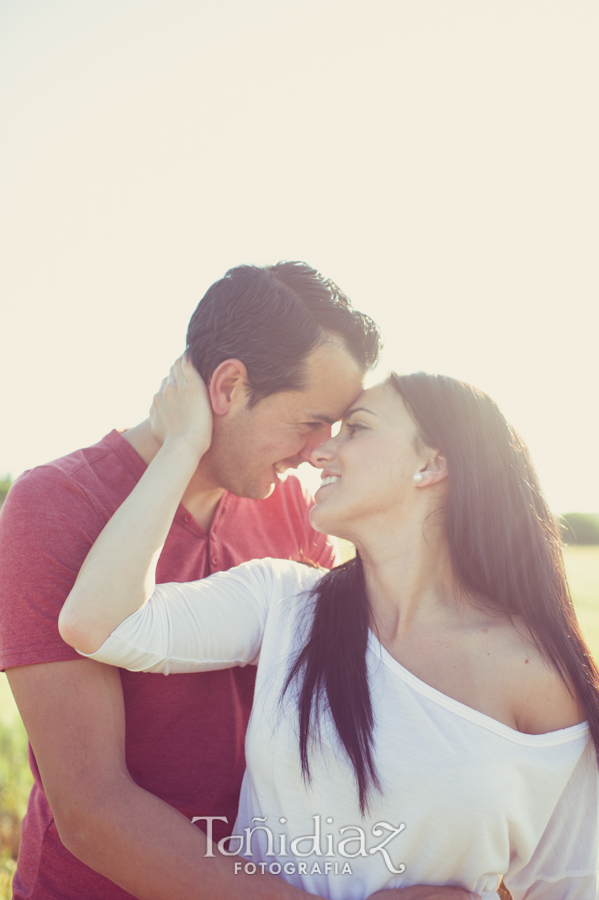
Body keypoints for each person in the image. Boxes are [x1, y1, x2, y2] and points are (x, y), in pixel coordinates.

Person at [59, 360, 599, 899]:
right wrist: (182, 445)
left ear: (432, 465)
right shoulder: (283, 602)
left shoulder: (539, 676)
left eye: (357, 428)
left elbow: (574, 885)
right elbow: (99, 622)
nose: (318, 453)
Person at [0, 260, 397, 900]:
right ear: (230, 387)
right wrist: (182, 446)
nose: (319, 451)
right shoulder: (55, 504)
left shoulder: (296, 510)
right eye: (308, 422)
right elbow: (92, 811)